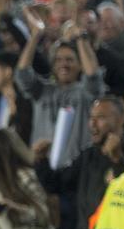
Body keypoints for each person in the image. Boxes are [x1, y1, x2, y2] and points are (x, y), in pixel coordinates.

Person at [35, 96, 124, 229]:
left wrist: (118, 160)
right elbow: (58, 184)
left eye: (101, 118)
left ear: (120, 120)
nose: (92, 124)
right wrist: (41, 161)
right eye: (91, 118)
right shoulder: (88, 155)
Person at [15, 9, 104, 169]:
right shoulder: (43, 91)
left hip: (75, 170)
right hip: (42, 167)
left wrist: (80, 39)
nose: (64, 64)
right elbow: (22, 73)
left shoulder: (85, 93)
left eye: (70, 59)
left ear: (79, 65)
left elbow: (92, 75)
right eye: (58, 60)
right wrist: (35, 36)